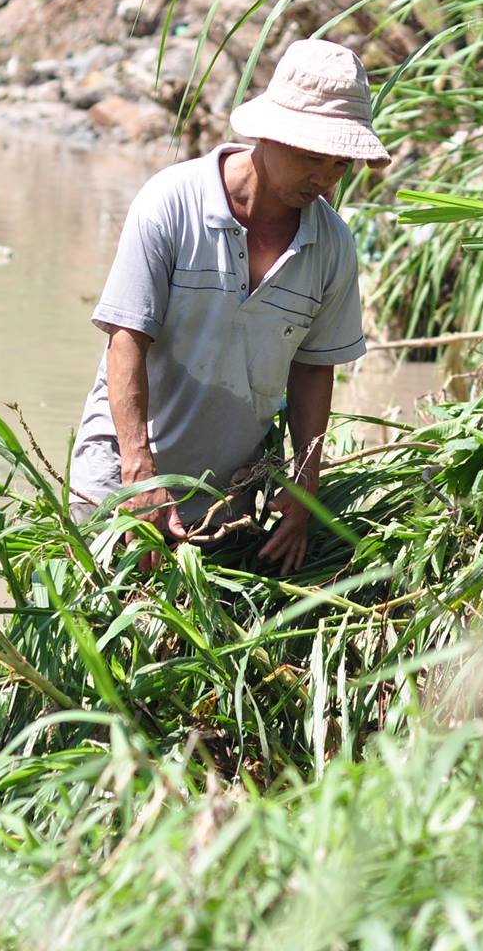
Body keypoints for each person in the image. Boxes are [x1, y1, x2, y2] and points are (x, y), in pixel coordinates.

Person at [70, 39, 389, 575]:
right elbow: (126, 339)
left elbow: (313, 368)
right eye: (312, 157)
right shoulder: (172, 203)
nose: (326, 178)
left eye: (340, 163)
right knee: (101, 633)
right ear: (268, 135)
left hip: (225, 500)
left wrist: (304, 486)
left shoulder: (331, 246)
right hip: (121, 476)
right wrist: (139, 475)